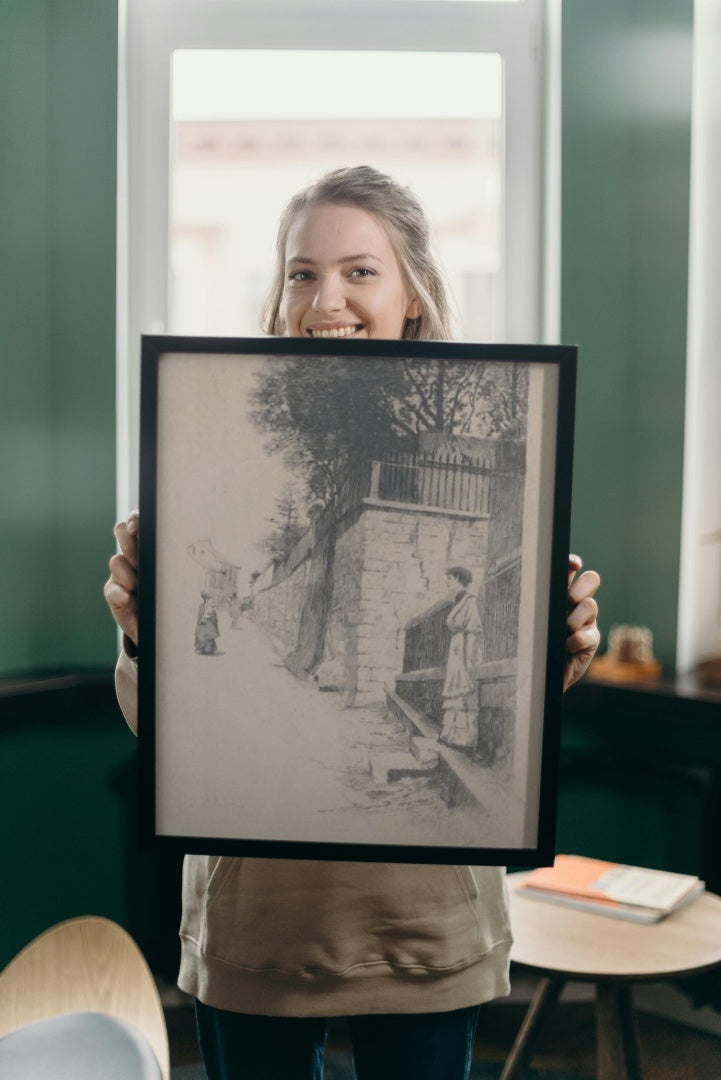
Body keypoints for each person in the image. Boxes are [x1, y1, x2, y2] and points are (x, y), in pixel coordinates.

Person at [105, 166, 601, 1080]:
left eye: (359, 271)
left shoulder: (501, 425)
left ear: (412, 292)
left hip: (424, 924)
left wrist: (557, 651)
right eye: (301, 272)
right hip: (256, 926)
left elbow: (522, 715)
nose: (324, 298)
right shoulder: (198, 436)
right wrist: (143, 637)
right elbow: (168, 732)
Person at [439, 568, 483, 752]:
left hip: (465, 649)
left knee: (464, 690)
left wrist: (470, 659)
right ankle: (450, 735)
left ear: (458, 579)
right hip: (455, 650)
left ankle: (464, 739)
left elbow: (473, 629)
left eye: (449, 579)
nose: (447, 583)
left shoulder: (470, 601)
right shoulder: (458, 601)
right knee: (454, 691)